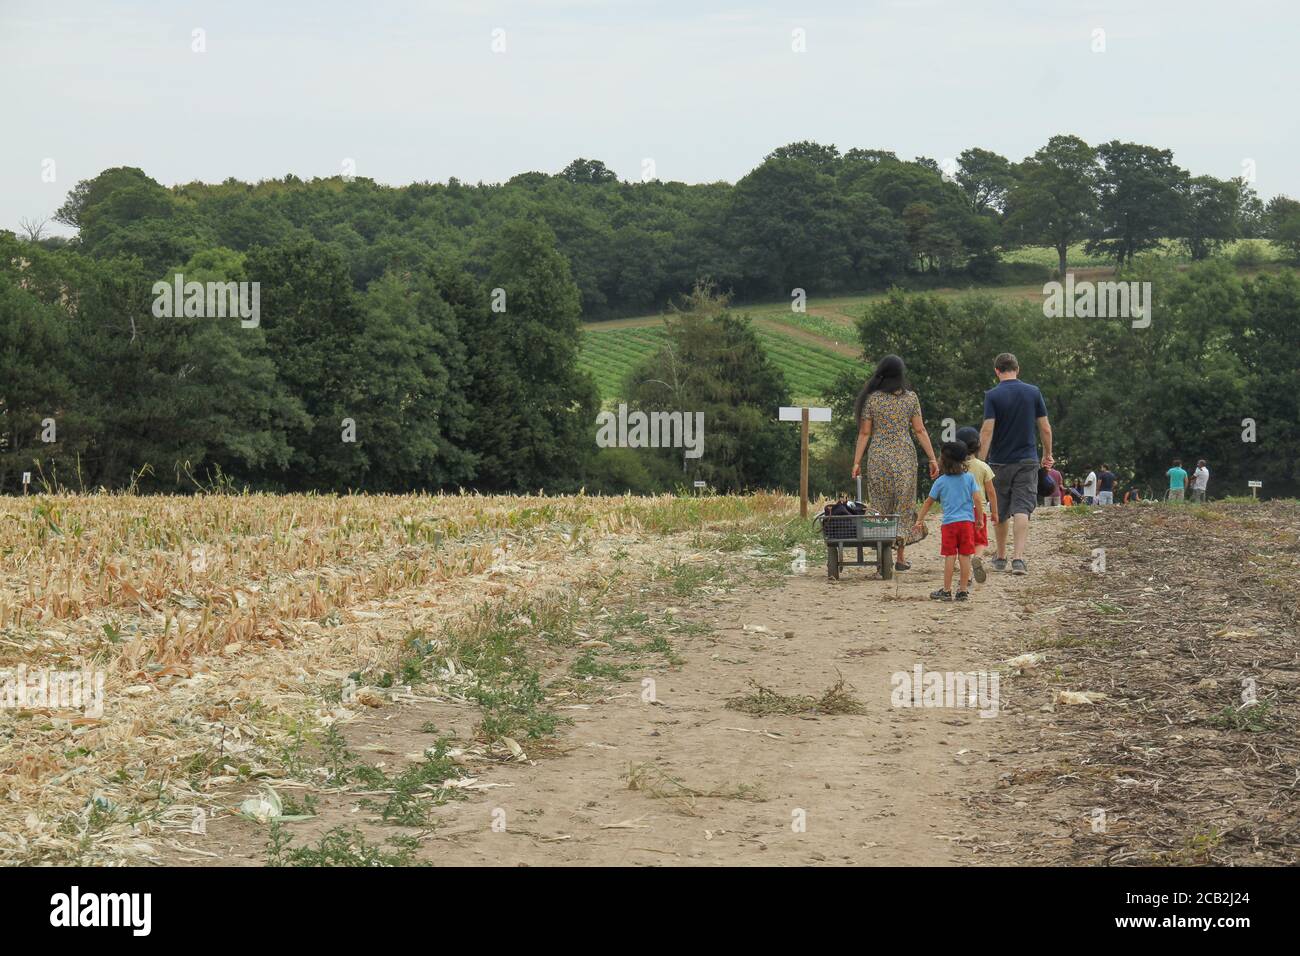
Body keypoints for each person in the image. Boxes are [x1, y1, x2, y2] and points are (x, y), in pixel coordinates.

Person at [851, 355, 939, 572]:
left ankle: (882, 557)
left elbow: (864, 433)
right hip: (904, 458)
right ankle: (899, 558)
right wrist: (932, 458)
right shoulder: (911, 399)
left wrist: (856, 462)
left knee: (880, 505)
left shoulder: (872, 400)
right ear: (901, 375)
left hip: (878, 457)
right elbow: (919, 430)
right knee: (903, 504)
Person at [979, 353, 1053, 575]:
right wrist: (1047, 454)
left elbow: (987, 430)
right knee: (1022, 508)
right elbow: (1045, 427)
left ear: (997, 371)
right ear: (1017, 369)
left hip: (999, 462)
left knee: (999, 509)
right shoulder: (1033, 392)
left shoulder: (992, 396)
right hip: (1027, 460)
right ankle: (1018, 559)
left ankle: (1001, 556)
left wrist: (980, 463)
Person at [912, 442, 983, 602]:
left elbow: (928, 502)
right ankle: (963, 590)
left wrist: (919, 519)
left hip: (949, 525)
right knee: (965, 556)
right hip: (966, 523)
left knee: (950, 556)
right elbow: (977, 499)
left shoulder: (940, 482)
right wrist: (979, 518)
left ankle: (946, 590)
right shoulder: (969, 478)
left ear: (943, 461)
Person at [956, 425, 997, 584]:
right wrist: (994, 511)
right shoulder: (983, 466)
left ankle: (966, 577)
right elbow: (991, 492)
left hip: (960, 512)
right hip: (978, 510)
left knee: (963, 546)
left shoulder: (956, 467)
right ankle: (978, 558)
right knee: (979, 541)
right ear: (978, 446)